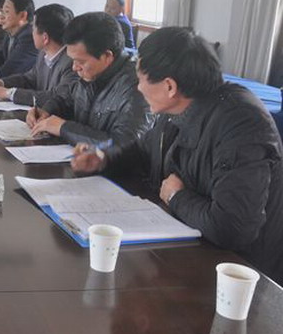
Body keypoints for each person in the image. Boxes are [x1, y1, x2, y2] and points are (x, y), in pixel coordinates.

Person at [72, 27, 283, 284]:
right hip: (193, 246)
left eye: (140, 79)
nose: (138, 87)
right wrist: (103, 159)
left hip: (240, 272)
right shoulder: (179, 108)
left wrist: (176, 197)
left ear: (170, 86)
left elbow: (233, 228)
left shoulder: (241, 125)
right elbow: (143, 151)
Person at [27, 11, 150, 146]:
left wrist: (64, 128)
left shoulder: (138, 88)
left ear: (107, 56)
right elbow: (64, 99)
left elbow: (124, 144)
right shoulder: (89, 74)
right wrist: (46, 111)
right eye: (72, 60)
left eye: (80, 61)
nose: (74, 67)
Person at [0, 3, 76, 106]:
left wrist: (8, 93)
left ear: (45, 38)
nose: (32, 33)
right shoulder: (43, 55)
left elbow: (57, 97)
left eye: (33, 29)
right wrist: (1, 83)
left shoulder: (73, 63)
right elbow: (29, 79)